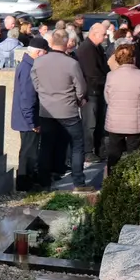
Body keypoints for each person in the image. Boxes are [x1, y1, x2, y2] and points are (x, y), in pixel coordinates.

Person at [33, 31, 91, 191]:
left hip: (47, 110)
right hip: (68, 110)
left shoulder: (38, 62)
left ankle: (44, 181)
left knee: (45, 145)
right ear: (66, 44)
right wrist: (79, 99)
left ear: (51, 43)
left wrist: (45, 94)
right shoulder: (71, 63)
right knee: (77, 145)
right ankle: (78, 182)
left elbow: (36, 84)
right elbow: (81, 87)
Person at [102, 42, 140, 170]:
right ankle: (133, 182)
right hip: (135, 121)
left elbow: (107, 98)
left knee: (114, 154)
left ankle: (111, 181)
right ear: (134, 58)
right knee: (134, 154)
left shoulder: (110, 76)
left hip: (115, 121)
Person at [12, 38, 46, 191]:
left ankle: (26, 181)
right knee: (28, 152)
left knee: (28, 150)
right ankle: (25, 184)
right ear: (38, 52)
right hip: (27, 119)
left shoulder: (27, 65)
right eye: (45, 53)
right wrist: (33, 122)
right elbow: (27, 98)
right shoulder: (28, 68)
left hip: (26, 117)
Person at [75, 22, 111, 162]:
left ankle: (99, 149)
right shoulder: (87, 49)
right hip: (91, 91)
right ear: (94, 34)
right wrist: (107, 80)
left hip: (97, 89)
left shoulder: (95, 48)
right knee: (90, 124)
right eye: (103, 34)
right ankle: (88, 151)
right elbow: (92, 73)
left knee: (99, 123)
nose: (106, 37)